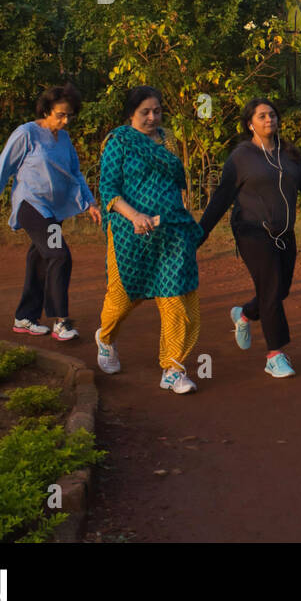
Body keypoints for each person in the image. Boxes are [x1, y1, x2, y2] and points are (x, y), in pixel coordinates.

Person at [198, 98, 301, 378]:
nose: (269, 120)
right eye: (262, 116)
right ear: (250, 124)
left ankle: (244, 314)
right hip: (251, 230)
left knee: (281, 289)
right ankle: (274, 354)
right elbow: (222, 197)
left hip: (283, 232)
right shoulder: (241, 156)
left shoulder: (289, 153)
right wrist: (200, 233)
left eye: (272, 115)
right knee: (271, 288)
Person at [92, 87, 205, 394]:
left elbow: (175, 181)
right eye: (145, 112)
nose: (153, 117)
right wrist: (135, 216)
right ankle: (105, 337)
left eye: (157, 110)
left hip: (170, 230)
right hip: (131, 233)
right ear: (131, 114)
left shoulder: (166, 139)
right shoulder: (119, 142)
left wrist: (180, 211)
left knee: (176, 297)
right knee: (125, 296)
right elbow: (109, 191)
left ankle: (173, 368)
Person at [0, 84, 102, 340]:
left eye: (69, 116)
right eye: (60, 115)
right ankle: (61, 321)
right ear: (46, 110)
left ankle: (25, 317)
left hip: (54, 211)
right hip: (31, 205)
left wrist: (90, 203)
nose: (65, 121)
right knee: (59, 255)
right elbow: (3, 168)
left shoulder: (63, 139)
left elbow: (75, 172)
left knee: (40, 260)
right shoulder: (26, 133)